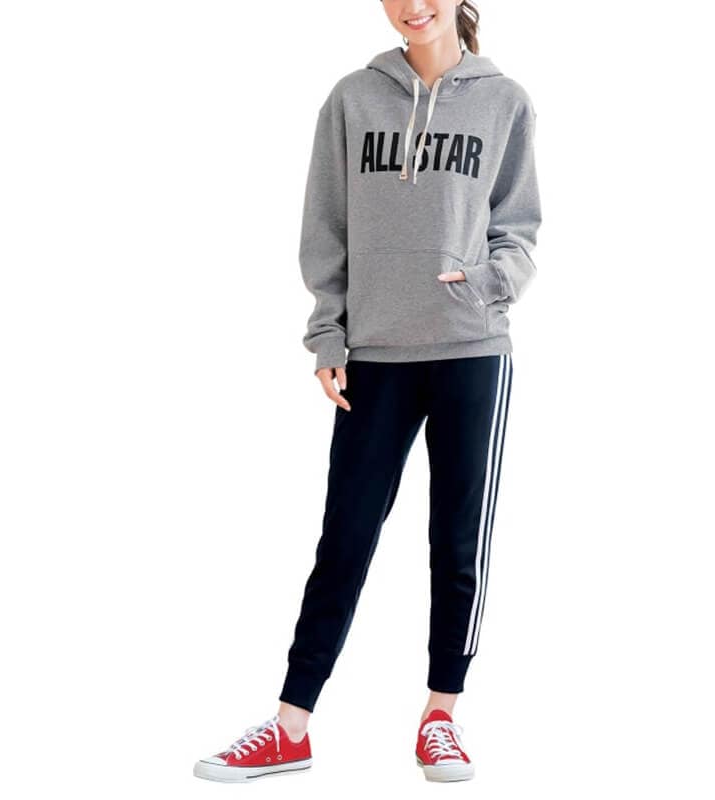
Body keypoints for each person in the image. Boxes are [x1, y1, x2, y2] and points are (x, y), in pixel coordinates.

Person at [193, 0, 541, 783]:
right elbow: (325, 226)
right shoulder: (352, 98)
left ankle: (441, 716)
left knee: (459, 541)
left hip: (471, 349)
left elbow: (518, 228)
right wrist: (328, 332)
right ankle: (291, 726)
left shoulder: (505, 101)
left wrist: (485, 282)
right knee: (345, 537)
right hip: (375, 352)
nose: (411, 7)